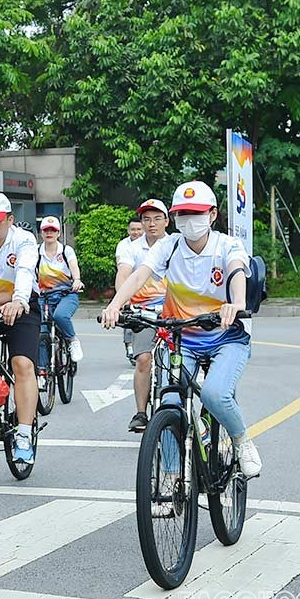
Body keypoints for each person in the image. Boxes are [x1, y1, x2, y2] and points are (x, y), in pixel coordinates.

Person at [100, 180, 261, 478]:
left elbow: (238, 271)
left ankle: (241, 440)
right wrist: (115, 305)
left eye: (196, 212)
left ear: (212, 215)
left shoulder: (227, 245)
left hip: (227, 337)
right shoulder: (168, 246)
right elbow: (138, 277)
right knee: (170, 403)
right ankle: (173, 480)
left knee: (214, 394)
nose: (189, 220)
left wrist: (236, 304)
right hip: (181, 338)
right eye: (182, 213)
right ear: (174, 217)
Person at [0, 192, 42, 464]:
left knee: (23, 364)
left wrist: (19, 300)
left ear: (10, 220)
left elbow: (25, 270)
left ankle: (24, 432)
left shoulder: (23, 240)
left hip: (20, 305)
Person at [117, 199, 170, 433]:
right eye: (146, 219)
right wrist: (121, 302)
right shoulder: (131, 247)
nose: (151, 224)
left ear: (167, 221)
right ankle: (140, 413)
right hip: (143, 312)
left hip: (174, 312)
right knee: (143, 359)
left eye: (157, 218)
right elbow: (125, 274)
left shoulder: (176, 244)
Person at [37, 216, 85, 362]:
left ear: (59, 233)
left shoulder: (66, 251)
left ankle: (72, 340)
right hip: (43, 297)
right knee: (40, 332)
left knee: (60, 316)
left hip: (66, 294)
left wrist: (76, 280)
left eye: (53, 230)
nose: (49, 233)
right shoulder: (36, 252)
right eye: (46, 230)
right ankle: (42, 373)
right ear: (41, 233)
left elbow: (74, 267)